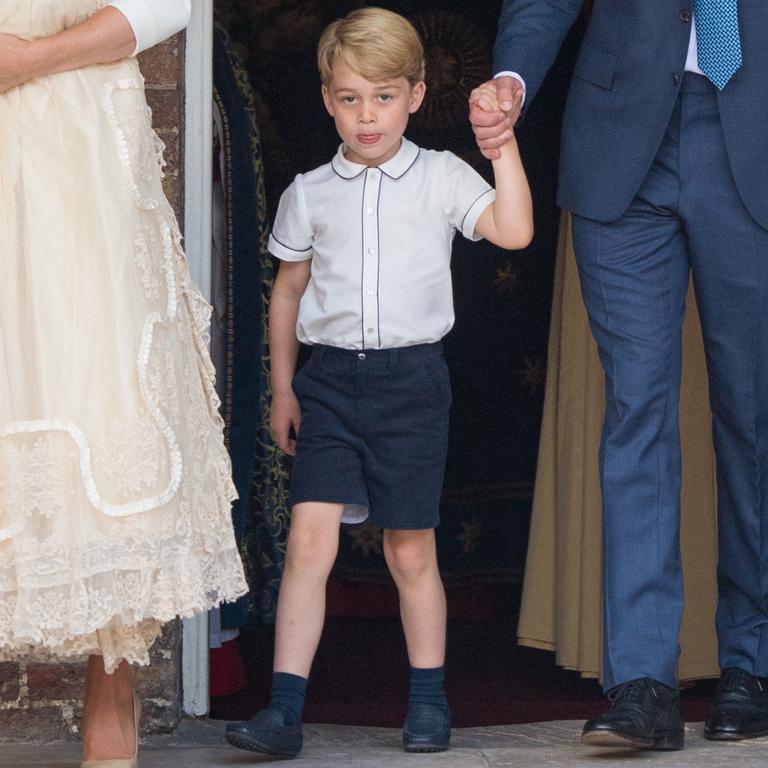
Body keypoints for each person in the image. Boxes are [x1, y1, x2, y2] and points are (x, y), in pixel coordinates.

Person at [224, 7, 533, 759]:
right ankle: (285, 711)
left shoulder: (440, 176)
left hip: (411, 384)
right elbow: (288, 293)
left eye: (385, 96)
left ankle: (428, 701)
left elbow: (515, 231)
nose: (368, 115)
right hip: (329, 383)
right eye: (351, 97)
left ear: (416, 96)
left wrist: (503, 145)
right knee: (308, 541)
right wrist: (284, 389)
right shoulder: (308, 192)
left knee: (409, 550)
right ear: (328, 99)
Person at [471, 0, 768, 752]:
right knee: (637, 409)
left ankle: (752, 666)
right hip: (621, 142)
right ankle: (641, 683)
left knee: (754, 414)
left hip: (754, 131)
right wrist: (511, 77)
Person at [0, 2, 247, 766]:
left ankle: (113, 690)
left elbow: (167, 5)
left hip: (80, 134)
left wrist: (29, 61)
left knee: (101, 381)